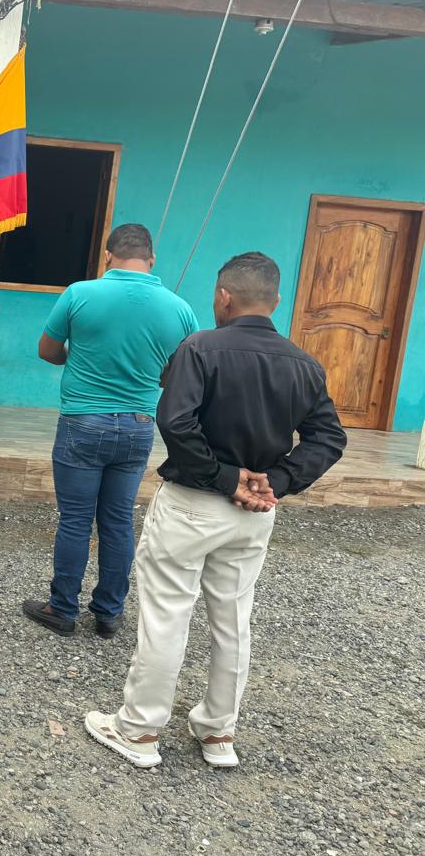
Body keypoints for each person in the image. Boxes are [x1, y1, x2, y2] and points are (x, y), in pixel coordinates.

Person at [85, 252, 345, 769]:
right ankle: (218, 732)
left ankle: (139, 730)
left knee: (166, 615)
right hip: (255, 513)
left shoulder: (199, 348)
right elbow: (329, 438)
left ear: (224, 297)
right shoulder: (304, 364)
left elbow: (176, 422)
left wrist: (227, 478)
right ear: (275, 301)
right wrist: (276, 480)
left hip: (194, 503)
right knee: (233, 619)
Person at [23, 224, 198, 639]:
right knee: (118, 521)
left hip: (82, 421)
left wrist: (79, 359)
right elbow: (178, 373)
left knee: (75, 520)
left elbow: (47, 350)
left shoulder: (79, 293)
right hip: (138, 425)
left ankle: (62, 608)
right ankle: (108, 613)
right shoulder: (180, 309)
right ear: (151, 260)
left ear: (107, 255)